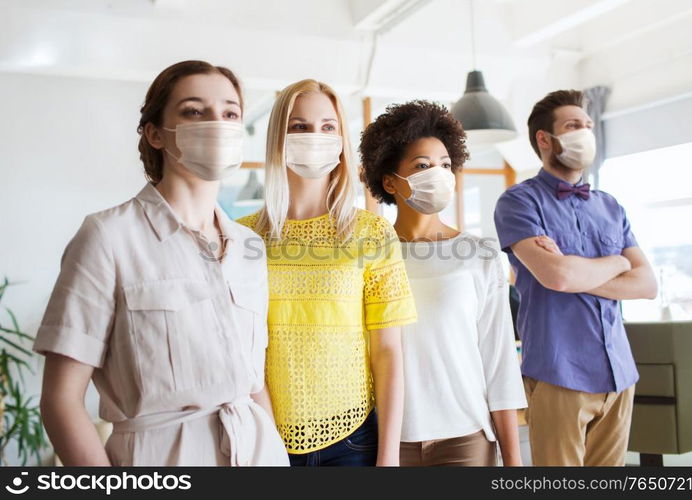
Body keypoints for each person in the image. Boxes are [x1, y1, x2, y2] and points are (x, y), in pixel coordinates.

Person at [34, 60, 289, 466]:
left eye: (230, 113)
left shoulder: (248, 246)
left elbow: (253, 383)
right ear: (155, 134)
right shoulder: (107, 237)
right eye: (193, 111)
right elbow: (60, 401)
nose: (216, 124)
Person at [237, 79, 417, 466]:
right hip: (265, 438)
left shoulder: (372, 232)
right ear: (278, 139)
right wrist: (268, 442)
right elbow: (242, 352)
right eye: (299, 126)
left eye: (327, 126)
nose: (314, 136)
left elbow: (388, 352)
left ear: (340, 142)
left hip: (354, 442)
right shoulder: (242, 237)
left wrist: (389, 458)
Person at [494, 89, 658, 466]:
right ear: (544, 139)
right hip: (558, 371)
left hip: (619, 373)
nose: (585, 132)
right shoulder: (519, 202)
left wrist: (574, 272)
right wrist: (617, 262)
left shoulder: (610, 205)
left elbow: (647, 284)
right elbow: (559, 276)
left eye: (587, 125)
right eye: (573, 125)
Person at [359, 100, 527, 466]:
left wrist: (514, 462)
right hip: (387, 442)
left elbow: (499, 364)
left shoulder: (478, 254)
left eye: (445, 165)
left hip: (465, 438)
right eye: (422, 166)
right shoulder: (369, 256)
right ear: (389, 181)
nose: (438, 174)